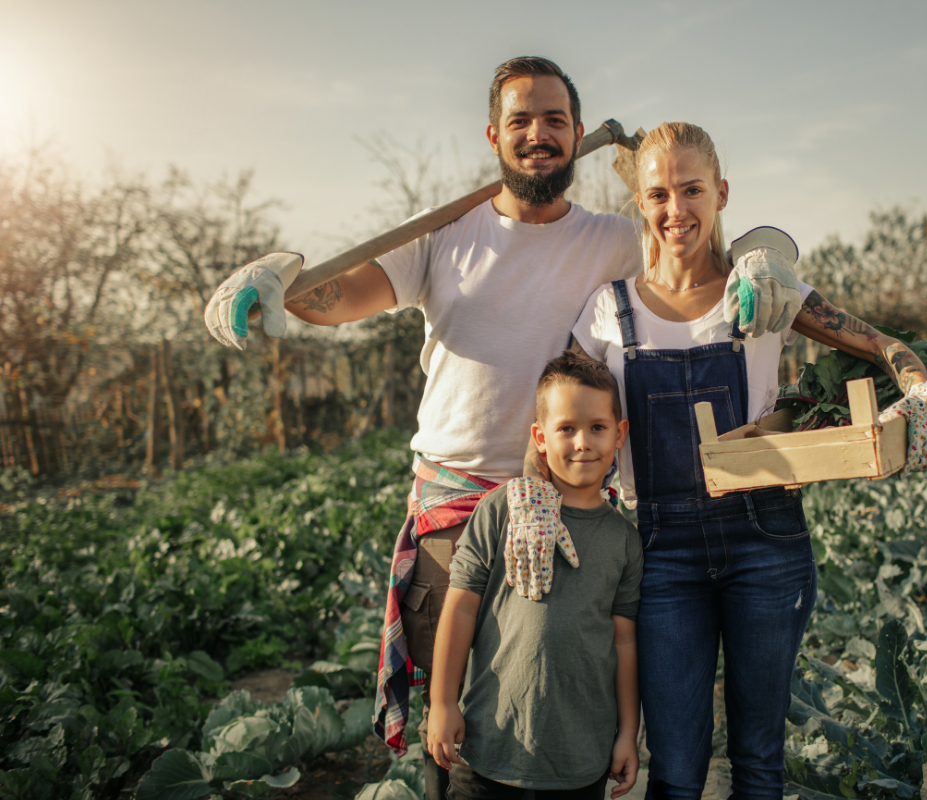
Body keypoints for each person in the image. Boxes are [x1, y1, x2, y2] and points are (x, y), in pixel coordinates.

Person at [202, 59, 799, 800]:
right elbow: (340, 297)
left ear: (578, 133)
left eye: (554, 120)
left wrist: (767, 251)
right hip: (456, 517)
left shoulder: (616, 240)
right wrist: (284, 279)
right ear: (494, 136)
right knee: (452, 734)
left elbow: (699, 242)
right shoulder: (442, 234)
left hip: (569, 509)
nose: (537, 134)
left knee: (555, 715)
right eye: (520, 120)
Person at [520, 122, 927, 800]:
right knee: (676, 770)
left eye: (692, 190)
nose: (676, 209)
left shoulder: (766, 293)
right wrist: (531, 496)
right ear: (640, 202)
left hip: (766, 543)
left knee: (758, 762)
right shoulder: (609, 310)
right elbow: (555, 418)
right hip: (663, 556)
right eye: (659, 194)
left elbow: (882, 346)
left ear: (721, 193)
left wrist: (920, 393)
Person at [427, 352, 641, 800]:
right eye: (566, 429)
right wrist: (443, 703)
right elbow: (461, 608)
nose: (583, 442)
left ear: (619, 434)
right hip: (490, 744)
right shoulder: (504, 510)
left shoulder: (624, 539)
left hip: (579, 760)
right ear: (540, 438)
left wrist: (627, 733)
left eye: (597, 427)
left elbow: (623, 641)